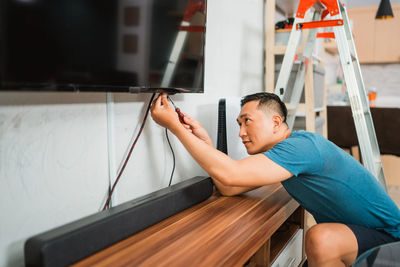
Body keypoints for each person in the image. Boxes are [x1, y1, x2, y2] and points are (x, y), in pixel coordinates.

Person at [150, 92, 400, 267]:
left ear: (276, 122)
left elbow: (230, 173)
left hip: (391, 241)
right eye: (238, 124)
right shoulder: (283, 156)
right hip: (366, 234)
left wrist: (175, 127)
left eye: (247, 121)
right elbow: (228, 186)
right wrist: (205, 141)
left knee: (321, 239)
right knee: (321, 238)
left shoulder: (300, 147)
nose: (240, 133)